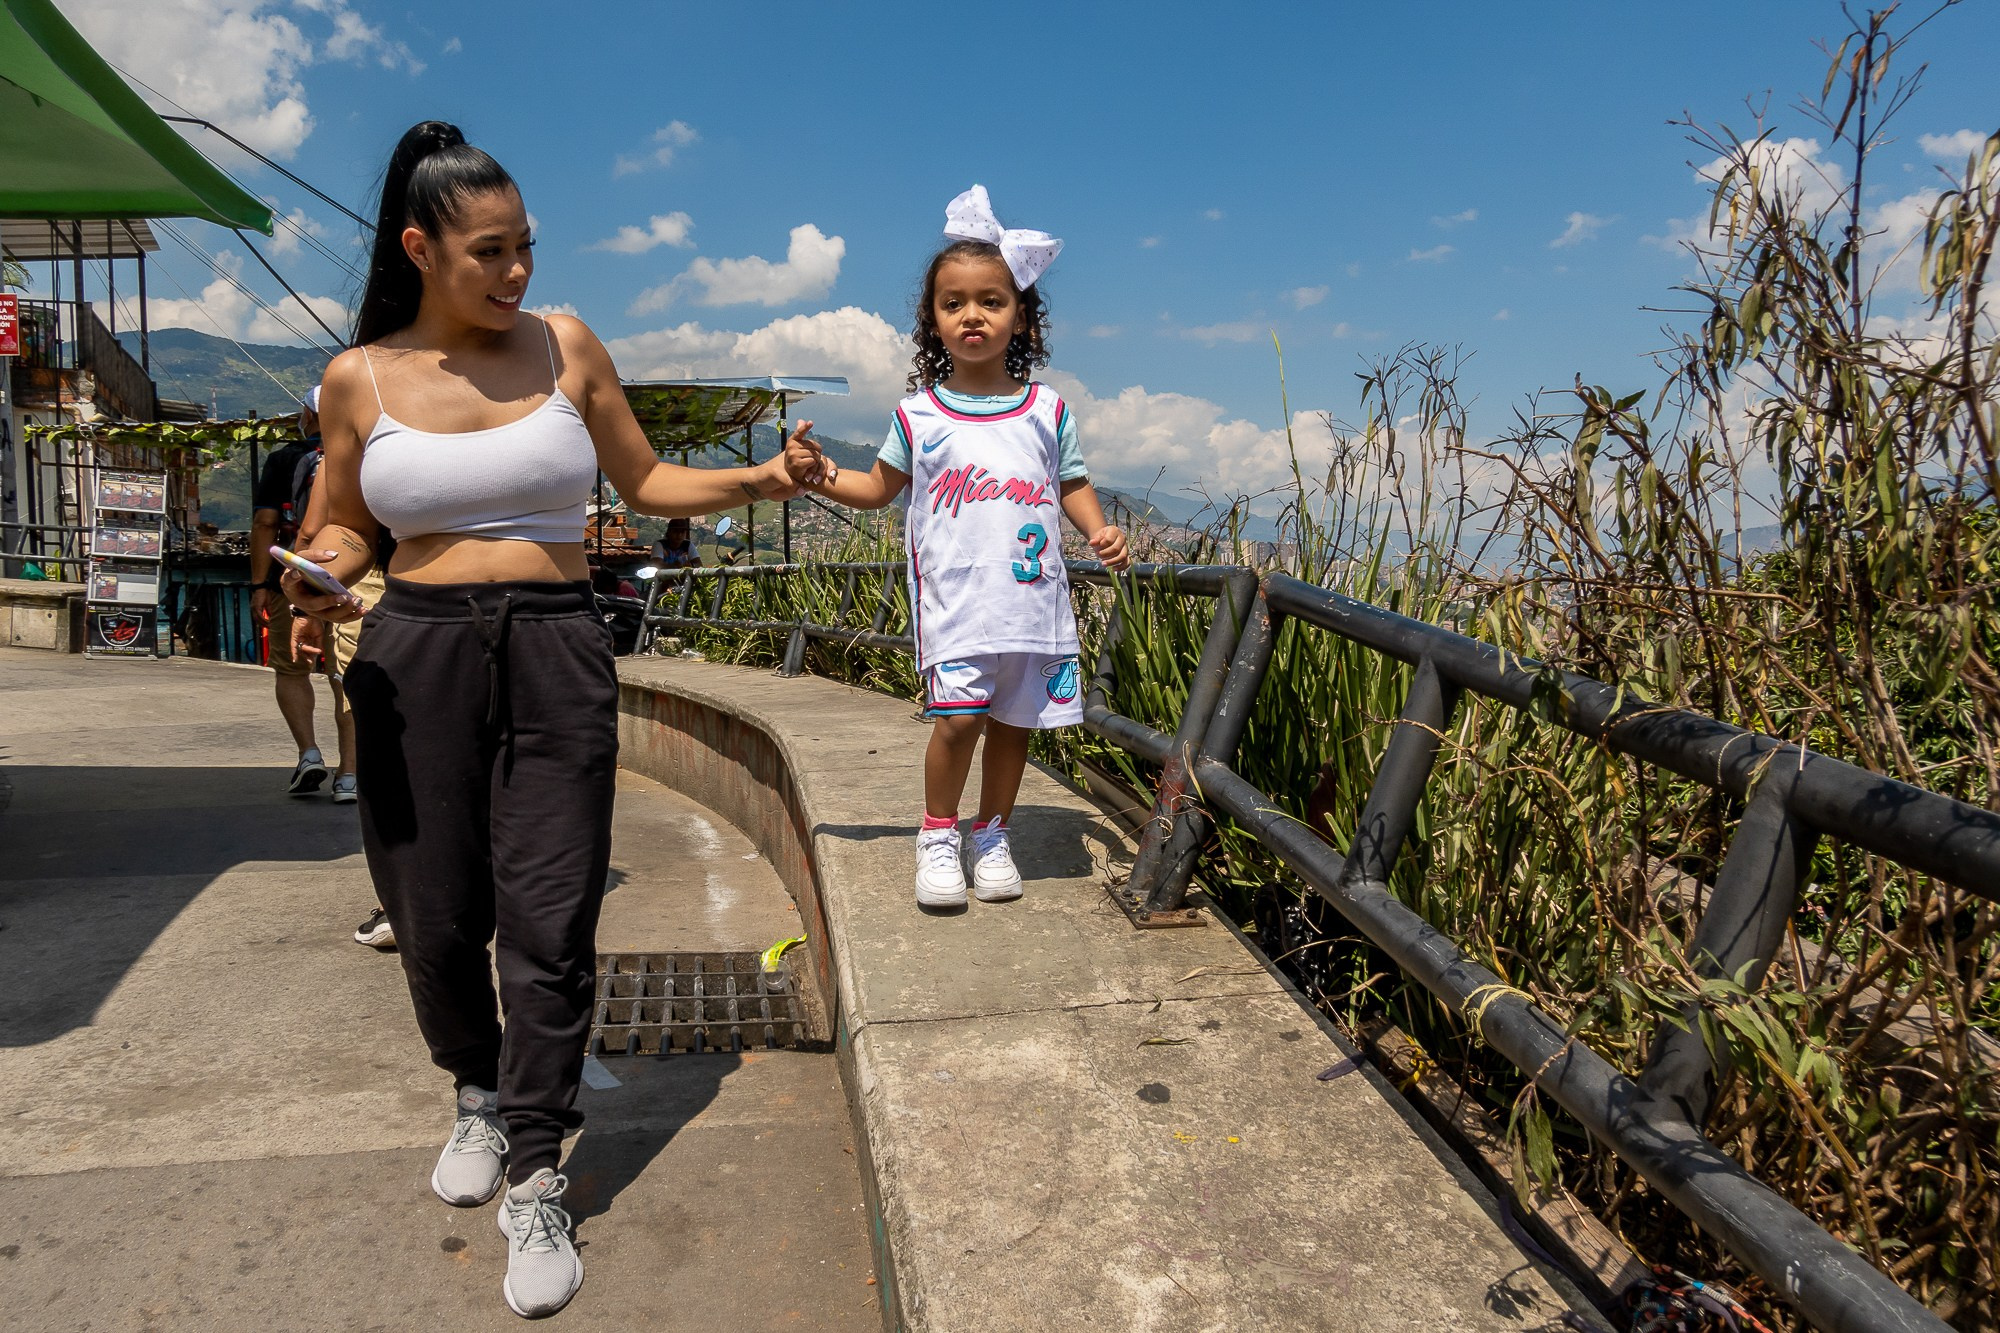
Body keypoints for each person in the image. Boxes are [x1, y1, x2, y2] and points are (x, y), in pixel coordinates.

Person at [282, 120, 824, 1319]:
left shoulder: (565, 345)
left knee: (550, 905)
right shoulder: (358, 378)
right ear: (421, 249)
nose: (516, 271)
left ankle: (535, 1163)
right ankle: (472, 1089)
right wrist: (314, 572)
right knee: (430, 911)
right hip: (413, 651)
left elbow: (645, 483)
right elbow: (344, 524)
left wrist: (761, 480)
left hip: (555, 645)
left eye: (526, 245)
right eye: (489, 252)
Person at [804, 185, 1130, 909]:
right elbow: (878, 487)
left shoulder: (1047, 410)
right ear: (933, 320)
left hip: (1032, 601)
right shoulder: (918, 414)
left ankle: (994, 832)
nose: (973, 315)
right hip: (957, 600)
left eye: (992, 300)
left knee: (1016, 726)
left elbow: (1070, 481)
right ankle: (939, 833)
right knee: (957, 720)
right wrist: (822, 474)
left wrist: (1098, 528)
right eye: (954, 303)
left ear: (1021, 314)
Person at [249, 388, 349, 796]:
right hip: (350, 580)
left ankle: (309, 753)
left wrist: (259, 585)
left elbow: (264, 525)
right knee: (345, 675)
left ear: (309, 415)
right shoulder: (359, 456)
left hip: (293, 579)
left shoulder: (284, 458)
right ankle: (351, 774)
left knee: (292, 669)